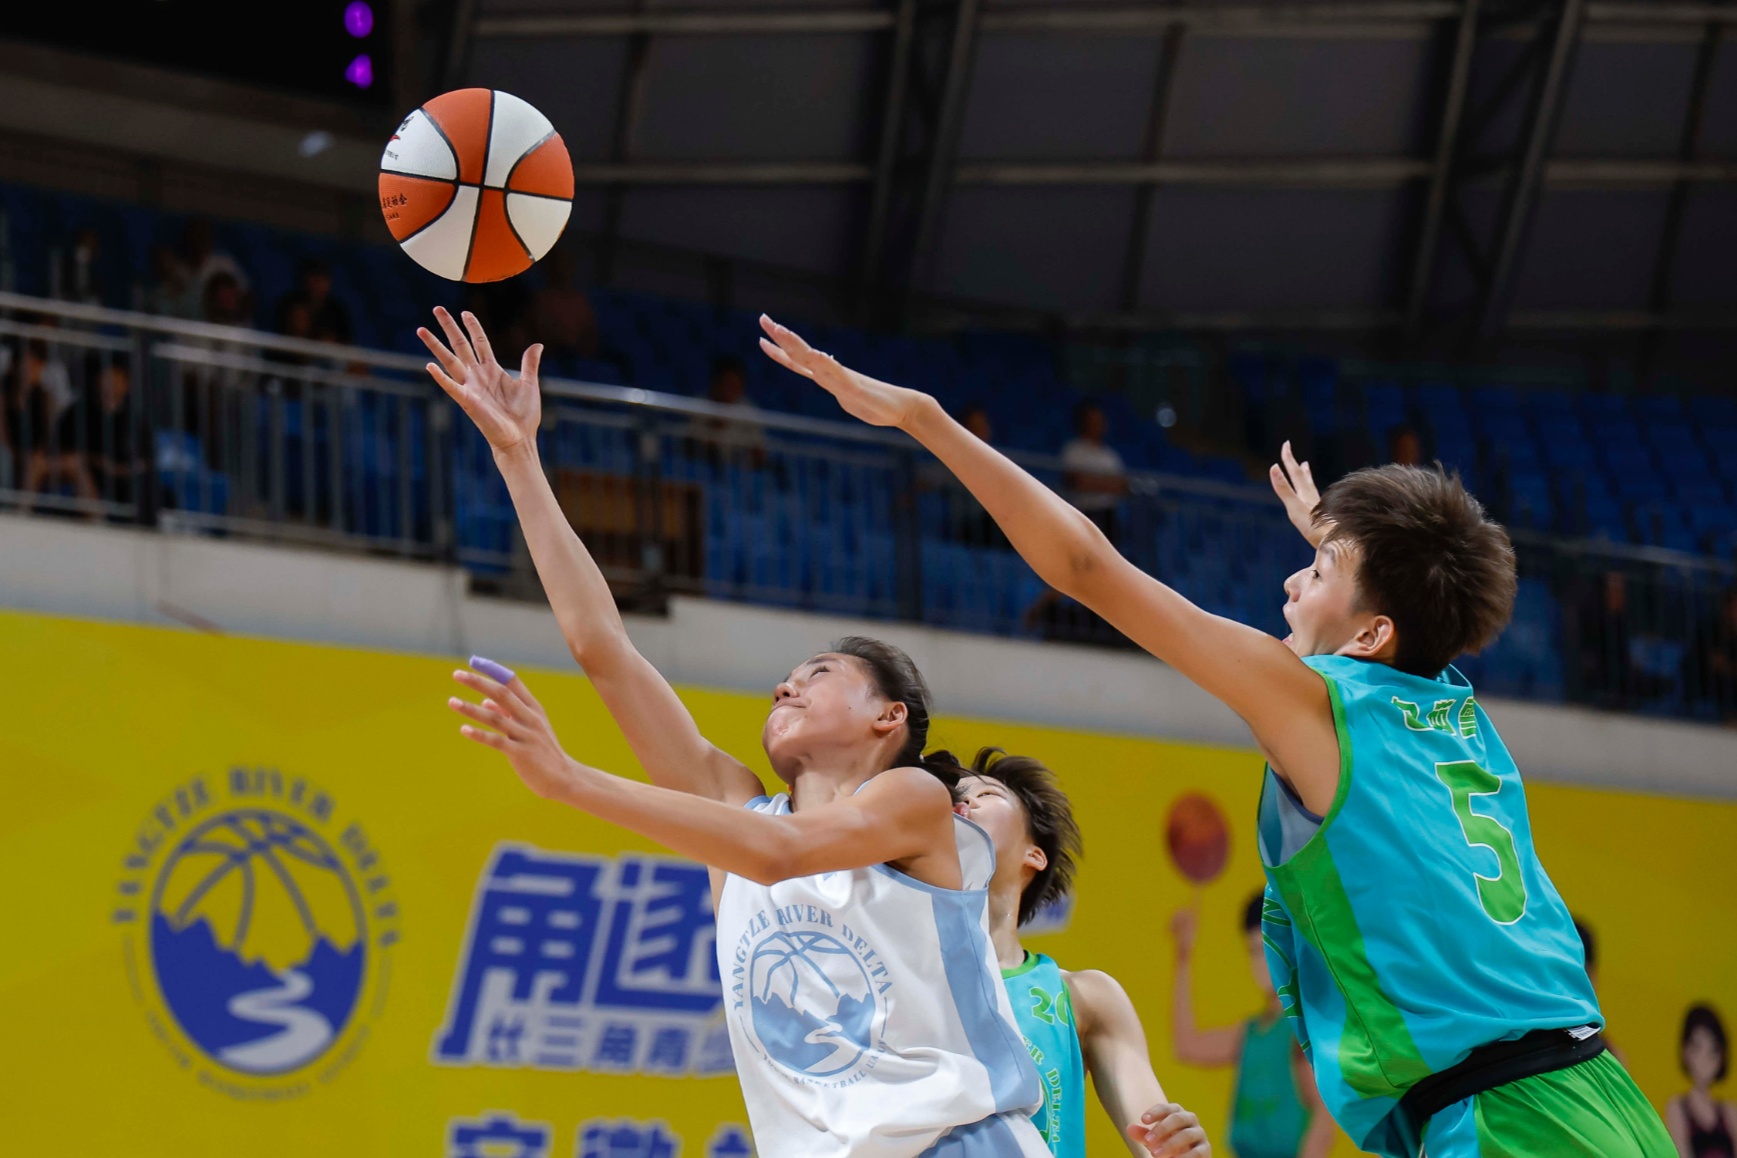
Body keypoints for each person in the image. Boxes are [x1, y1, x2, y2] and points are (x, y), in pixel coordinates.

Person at [757, 317, 1674, 1158]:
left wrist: (923, 419)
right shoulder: (1451, 705)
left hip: (1507, 1119)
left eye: (1314, 571)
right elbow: (1404, 615)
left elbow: (1085, 564)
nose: (1289, 582)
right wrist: (1339, 543)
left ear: (1369, 634)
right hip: (1598, 1096)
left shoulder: (1321, 704)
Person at [417, 306, 1213, 1158]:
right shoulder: (738, 813)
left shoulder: (915, 802)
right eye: (788, 677)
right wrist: (518, 457)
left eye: (820, 673)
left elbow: (781, 856)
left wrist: (570, 780)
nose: (785, 683)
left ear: (888, 717)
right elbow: (600, 648)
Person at [955, 748, 1210, 1157]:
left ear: (1034, 855)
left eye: (987, 795)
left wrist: (1181, 1146)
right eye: (952, 797)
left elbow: (1158, 1145)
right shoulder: (890, 980)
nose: (963, 802)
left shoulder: (1087, 998)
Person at [1170, 898, 1334, 1158]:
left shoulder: (1301, 1030)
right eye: (1255, 951)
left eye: (1270, 950)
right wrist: (1183, 955)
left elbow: (1323, 1119)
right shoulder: (1251, 1033)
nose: (1262, 963)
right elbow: (1187, 1045)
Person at [1667, 1006, 1736, 1158]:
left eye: (1712, 1051)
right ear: (1685, 1051)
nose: (1704, 1060)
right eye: (1697, 1048)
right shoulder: (1677, 1108)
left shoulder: (1731, 1112)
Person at [1060, 400, 1128, 545]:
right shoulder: (1074, 450)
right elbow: (1078, 482)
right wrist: (1107, 484)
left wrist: (1094, 482)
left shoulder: (1110, 455)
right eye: (1092, 421)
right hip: (1084, 513)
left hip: (1108, 515)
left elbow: (1122, 486)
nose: (1097, 425)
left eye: (1100, 421)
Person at [274, 259, 352, 346]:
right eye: (314, 279)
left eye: (322, 280)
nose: (318, 285)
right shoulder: (289, 304)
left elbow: (347, 343)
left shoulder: (336, 309)